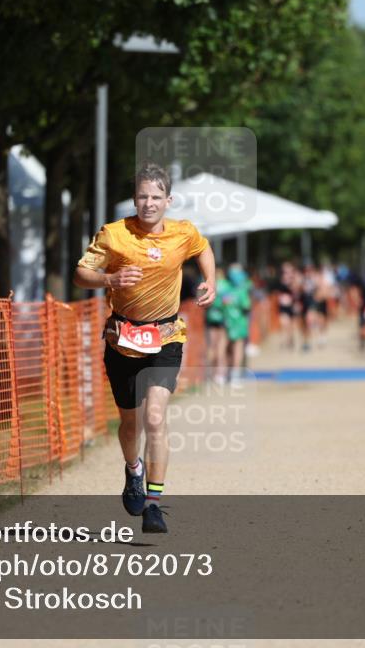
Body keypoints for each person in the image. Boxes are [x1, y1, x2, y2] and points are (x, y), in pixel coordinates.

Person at [73, 163, 216, 532]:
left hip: (166, 336)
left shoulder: (183, 233)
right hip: (122, 337)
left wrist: (210, 281)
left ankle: (154, 503)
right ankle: (133, 469)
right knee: (131, 421)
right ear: (134, 199)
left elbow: (204, 249)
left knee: (155, 417)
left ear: (168, 200)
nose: (148, 203)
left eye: (155, 197)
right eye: (142, 196)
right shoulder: (114, 234)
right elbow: (81, 274)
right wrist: (111, 278)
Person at [221, 264, 252, 380]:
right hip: (231, 322)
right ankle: (230, 371)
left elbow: (246, 306)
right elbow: (246, 307)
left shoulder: (236, 289)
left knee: (233, 347)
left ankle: (232, 372)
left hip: (232, 322)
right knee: (231, 347)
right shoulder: (231, 288)